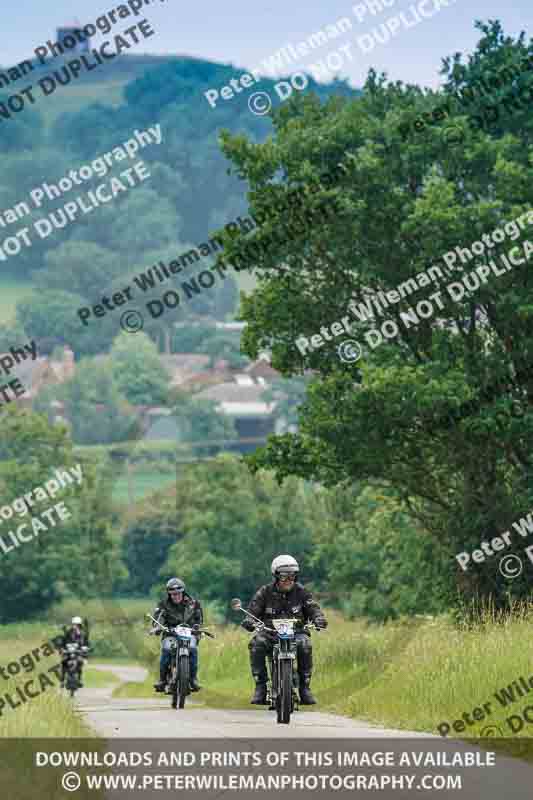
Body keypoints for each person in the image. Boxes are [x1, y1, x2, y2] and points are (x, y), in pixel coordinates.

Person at [242, 554, 327, 706]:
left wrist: (319, 619)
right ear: (275, 576)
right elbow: (253, 610)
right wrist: (249, 620)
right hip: (270, 633)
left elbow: (313, 608)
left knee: (305, 645)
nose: (289, 580)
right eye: (284, 576)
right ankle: (260, 686)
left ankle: (304, 688)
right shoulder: (265, 592)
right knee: (256, 644)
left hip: (296, 633)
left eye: (292, 576)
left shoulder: (302, 592)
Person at [149, 577, 203, 692]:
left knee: (192, 648)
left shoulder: (194, 604)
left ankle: (193, 679)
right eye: (173, 594)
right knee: (167, 649)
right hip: (170, 634)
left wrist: (197, 628)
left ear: (183, 592)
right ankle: (162, 679)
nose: (175, 596)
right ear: (169, 594)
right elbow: (158, 618)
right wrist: (158, 627)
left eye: (178, 593)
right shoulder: (163, 604)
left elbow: (199, 619)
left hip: (189, 633)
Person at [59, 616, 90, 687]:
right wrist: (62, 648)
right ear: (72, 624)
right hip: (69, 652)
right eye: (74, 624)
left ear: (80, 625)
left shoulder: (83, 633)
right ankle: (62, 680)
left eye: (77, 624)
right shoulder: (68, 632)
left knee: (80, 662)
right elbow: (63, 641)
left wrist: (85, 648)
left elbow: (86, 642)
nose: (75, 626)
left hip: (78, 652)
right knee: (64, 662)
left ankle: (80, 679)